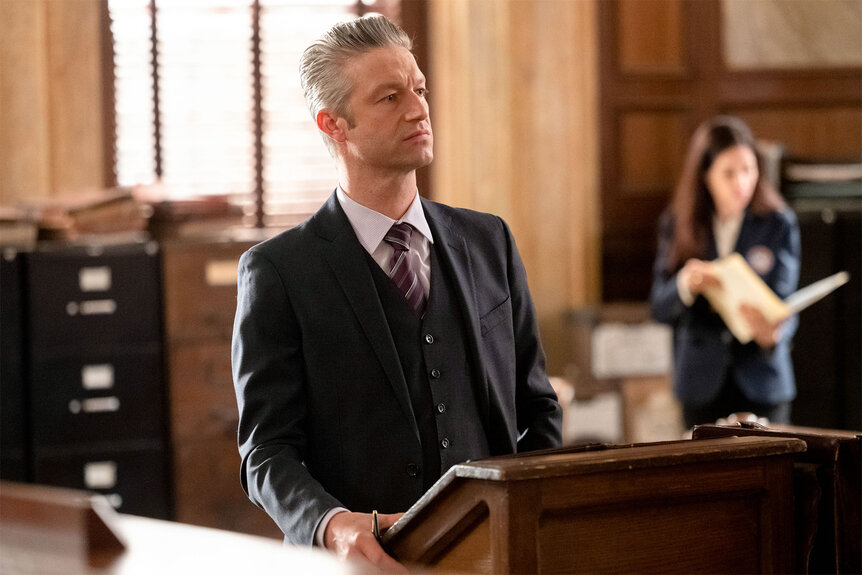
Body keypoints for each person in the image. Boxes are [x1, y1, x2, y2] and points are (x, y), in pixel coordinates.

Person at [231, 15, 562, 571]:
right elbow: (265, 452)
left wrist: (530, 515)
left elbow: (537, 406)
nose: (418, 108)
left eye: (420, 88)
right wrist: (331, 527)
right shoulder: (277, 272)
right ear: (334, 124)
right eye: (390, 97)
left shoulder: (490, 241)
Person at [650, 115, 800, 430]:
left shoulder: (778, 223)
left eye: (748, 170)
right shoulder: (679, 224)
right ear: (705, 175)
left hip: (763, 378)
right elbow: (659, 307)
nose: (741, 183)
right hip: (701, 382)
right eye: (728, 173)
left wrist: (774, 333)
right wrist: (686, 284)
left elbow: (787, 302)